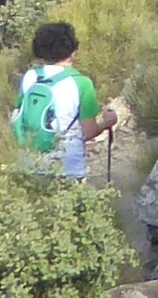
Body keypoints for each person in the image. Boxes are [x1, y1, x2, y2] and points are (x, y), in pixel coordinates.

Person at [16, 21, 117, 181]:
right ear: (73, 50)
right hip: (67, 168)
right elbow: (90, 131)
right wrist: (107, 123)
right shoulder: (82, 83)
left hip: (29, 165)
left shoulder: (31, 76)